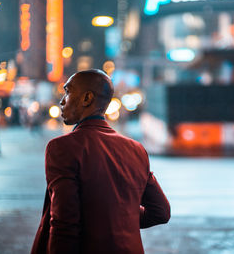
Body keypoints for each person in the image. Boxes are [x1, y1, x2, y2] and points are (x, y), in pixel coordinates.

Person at [31, 69, 170, 254]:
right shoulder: (136, 149)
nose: (62, 100)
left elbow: (64, 224)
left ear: (87, 98)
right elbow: (160, 211)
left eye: (68, 92)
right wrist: (119, 216)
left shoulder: (63, 148)